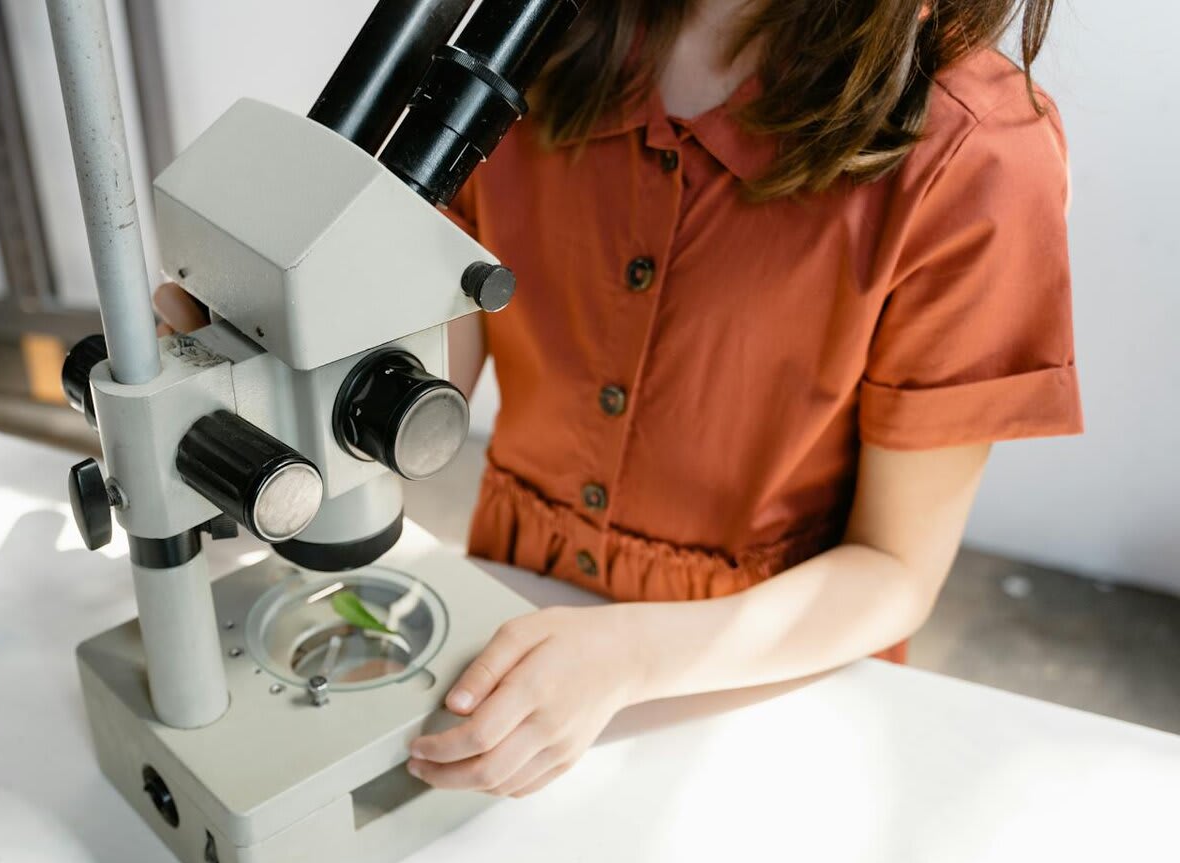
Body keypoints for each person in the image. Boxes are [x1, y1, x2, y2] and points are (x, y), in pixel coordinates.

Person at [157, 0, 1078, 798]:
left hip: (757, 676)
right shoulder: (518, 55)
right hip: (508, 605)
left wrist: (632, 656)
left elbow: (895, 572)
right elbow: (424, 381)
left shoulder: (976, 154)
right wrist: (270, 365)